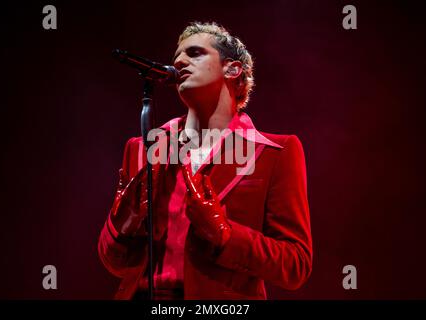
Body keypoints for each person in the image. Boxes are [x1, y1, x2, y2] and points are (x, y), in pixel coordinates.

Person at [98, 22, 313, 300]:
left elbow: (296, 265)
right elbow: (114, 262)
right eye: (176, 58)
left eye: (195, 53)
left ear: (232, 69)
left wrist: (226, 235)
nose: (179, 62)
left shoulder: (275, 152)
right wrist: (122, 223)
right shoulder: (143, 148)